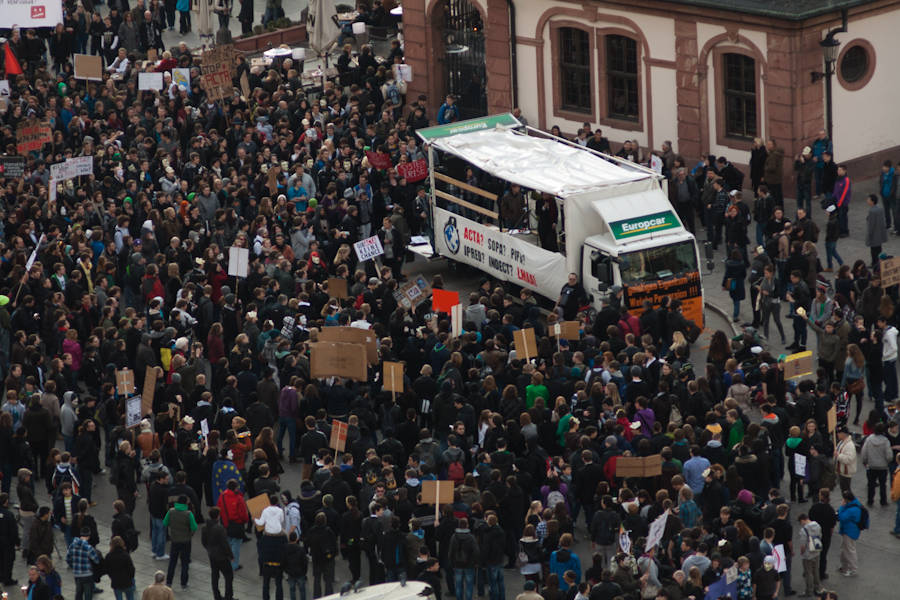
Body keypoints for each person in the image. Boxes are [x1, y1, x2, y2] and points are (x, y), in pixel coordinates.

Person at [163, 494, 198, 590]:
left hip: (174, 540)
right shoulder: (188, 514)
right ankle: (183, 583)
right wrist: (190, 534)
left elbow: (165, 523)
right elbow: (194, 527)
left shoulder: (171, 511)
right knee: (185, 562)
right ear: (186, 502)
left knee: (172, 562)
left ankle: (169, 582)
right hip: (186, 541)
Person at [201, 507, 234, 600]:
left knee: (215, 576)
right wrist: (230, 555)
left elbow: (203, 542)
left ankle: (217, 596)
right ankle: (228, 596)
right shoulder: (219, 528)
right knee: (228, 576)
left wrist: (209, 549)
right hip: (222, 556)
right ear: (218, 516)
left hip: (212, 555)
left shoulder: (204, 528)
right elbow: (225, 543)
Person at [306, 511, 338, 596]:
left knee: (317, 579)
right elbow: (334, 544)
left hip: (316, 559)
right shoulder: (328, 531)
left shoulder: (312, 531)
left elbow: (307, 542)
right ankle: (329, 596)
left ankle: (317, 596)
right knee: (328, 580)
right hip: (327, 559)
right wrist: (333, 554)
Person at [861, 422, 892, 506]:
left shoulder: (869, 439)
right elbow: (889, 456)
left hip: (871, 466)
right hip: (882, 467)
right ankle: (883, 501)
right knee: (883, 485)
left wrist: (865, 461)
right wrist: (888, 462)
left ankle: (870, 500)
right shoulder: (885, 441)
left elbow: (864, 452)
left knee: (871, 485)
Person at [448, 517, 479, 600]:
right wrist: (475, 562)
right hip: (469, 564)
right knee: (469, 585)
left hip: (457, 564)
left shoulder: (454, 537)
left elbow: (451, 551)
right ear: (467, 525)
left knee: (458, 585)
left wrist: (451, 562)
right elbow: (476, 551)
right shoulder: (471, 537)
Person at [66, 527, 101, 600]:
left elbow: (68, 559)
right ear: (88, 536)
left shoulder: (72, 546)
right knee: (88, 595)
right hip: (87, 575)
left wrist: (74, 566)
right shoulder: (88, 548)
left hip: (77, 574)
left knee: (79, 594)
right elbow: (96, 560)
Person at [836, 490, 863, 577]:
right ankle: (844, 567)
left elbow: (841, 517)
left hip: (849, 531)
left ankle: (853, 569)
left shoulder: (852, 509)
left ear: (846, 499)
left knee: (850, 550)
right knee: (844, 549)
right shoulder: (855, 504)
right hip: (850, 530)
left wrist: (841, 507)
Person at [797, 513, 823, 597]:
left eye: (801, 522)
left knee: (809, 573)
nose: (801, 524)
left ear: (803, 520)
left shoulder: (803, 530)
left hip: (808, 555)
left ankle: (809, 591)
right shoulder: (817, 525)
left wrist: (802, 552)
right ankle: (817, 588)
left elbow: (803, 545)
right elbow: (820, 536)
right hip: (816, 551)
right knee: (816, 570)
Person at [103, 536, 137, 600]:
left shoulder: (109, 556)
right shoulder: (126, 555)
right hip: (127, 581)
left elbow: (106, 569)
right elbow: (131, 569)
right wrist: (131, 577)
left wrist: (112, 576)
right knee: (130, 597)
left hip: (116, 582)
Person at [865, 193, 888, 267]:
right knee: (879, 249)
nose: (867, 201)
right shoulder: (880, 209)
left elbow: (871, 225)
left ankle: (874, 264)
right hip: (880, 233)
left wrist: (869, 235)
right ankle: (878, 263)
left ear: (872, 201)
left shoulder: (872, 211)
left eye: (868, 199)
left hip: (874, 234)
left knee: (873, 251)